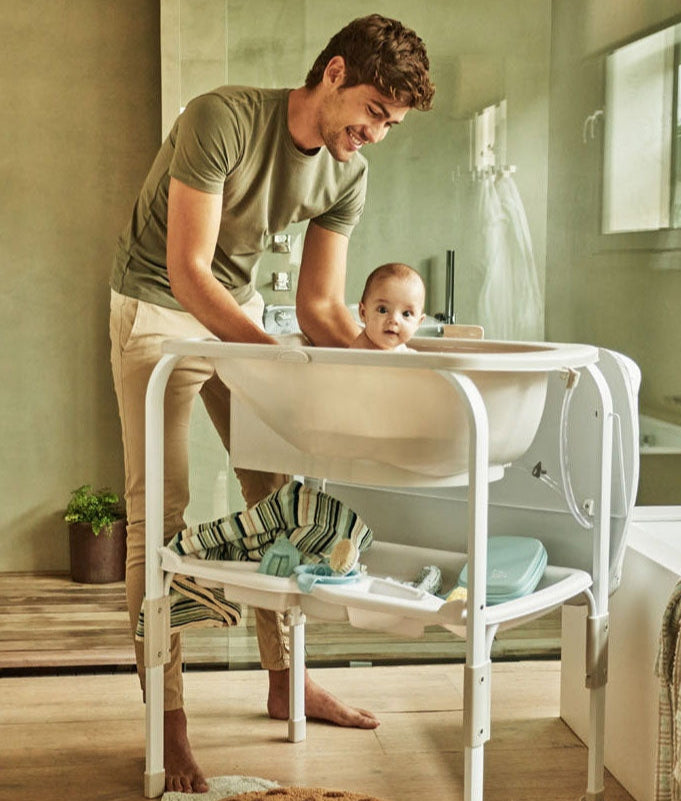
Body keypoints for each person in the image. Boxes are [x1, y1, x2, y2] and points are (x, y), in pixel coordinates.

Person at [108, 14, 434, 794]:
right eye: (373, 111)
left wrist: (379, 369)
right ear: (332, 74)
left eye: (391, 123)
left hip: (238, 313)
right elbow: (187, 270)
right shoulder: (221, 117)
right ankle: (170, 717)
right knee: (161, 514)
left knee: (279, 501)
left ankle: (287, 678)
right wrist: (272, 360)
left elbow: (322, 308)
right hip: (157, 307)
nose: (377, 134)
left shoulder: (346, 173)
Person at [350, 262, 426, 350]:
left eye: (406, 314)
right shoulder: (359, 354)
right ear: (363, 313)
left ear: (419, 323)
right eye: (383, 310)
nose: (394, 320)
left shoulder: (400, 348)